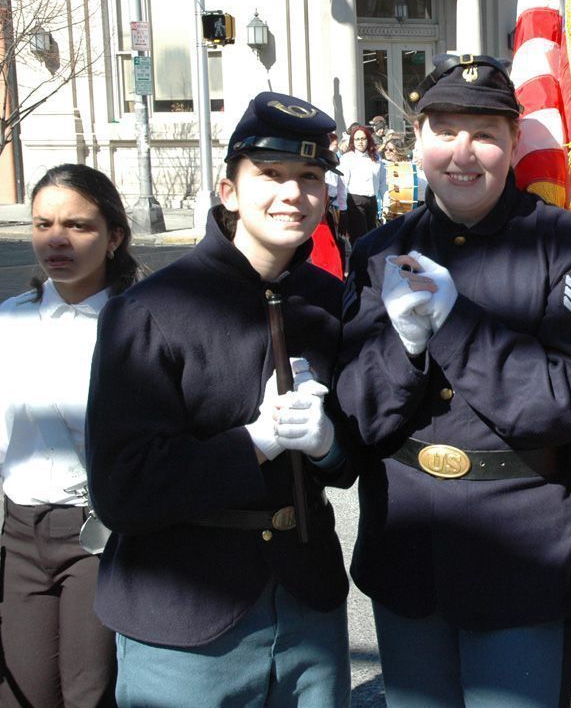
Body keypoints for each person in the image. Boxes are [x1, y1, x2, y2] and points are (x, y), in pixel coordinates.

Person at [336, 54, 571, 707]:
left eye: (485, 134)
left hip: (519, 554)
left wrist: (455, 325)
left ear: (515, 142)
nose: (463, 153)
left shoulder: (568, 248)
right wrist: (405, 348)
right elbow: (357, 412)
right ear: (418, 138)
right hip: (406, 548)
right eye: (444, 131)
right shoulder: (378, 252)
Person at [85, 92, 353, 707]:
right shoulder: (151, 310)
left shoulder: (331, 301)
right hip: (187, 612)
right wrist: (252, 445)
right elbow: (122, 487)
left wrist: (330, 447)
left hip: (307, 604)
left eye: (310, 177)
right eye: (271, 174)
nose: (293, 194)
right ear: (229, 191)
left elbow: (352, 457)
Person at [0, 165, 136, 708]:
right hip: (18, 534)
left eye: (77, 225)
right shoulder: (10, 320)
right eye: (43, 224)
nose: (57, 239)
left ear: (114, 236)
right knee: (21, 691)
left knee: (90, 691)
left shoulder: (138, 322)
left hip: (98, 534)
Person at [341, 122, 387, 242]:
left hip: (372, 200)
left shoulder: (376, 158)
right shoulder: (347, 158)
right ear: (352, 141)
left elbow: (382, 182)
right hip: (355, 201)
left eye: (363, 139)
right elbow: (343, 184)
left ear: (368, 139)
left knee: (371, 235)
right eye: (357, 139)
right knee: (360, 237)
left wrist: (386, 202)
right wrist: (342, 208)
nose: (360, 142)